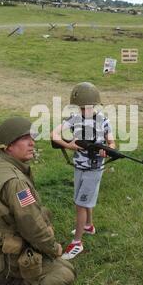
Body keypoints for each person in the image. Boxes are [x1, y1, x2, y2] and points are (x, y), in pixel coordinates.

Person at [0, 116, 75, 285]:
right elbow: (32, 227)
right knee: (66, 272)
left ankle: (9, 273)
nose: (32, 143)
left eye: (32, 137)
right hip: (12, 255)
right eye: (24, 139)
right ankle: (14, 280)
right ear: (9, 146)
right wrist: (54, 249)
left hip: (0, 246)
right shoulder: (16, 183)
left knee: (43, 215)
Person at [51, 82, 115, 260]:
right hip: (79, 166)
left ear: (95, 105)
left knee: (81, 203)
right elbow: (53, 135)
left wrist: (108, 149)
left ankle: (77, 242)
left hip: (95, 168)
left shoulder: (103, 120)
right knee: (82, 198)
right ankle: (88, 225)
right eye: (81, 107)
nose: (84, 110)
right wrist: (69, 145)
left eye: (87, 107)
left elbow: (112, 143)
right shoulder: (74, 118)